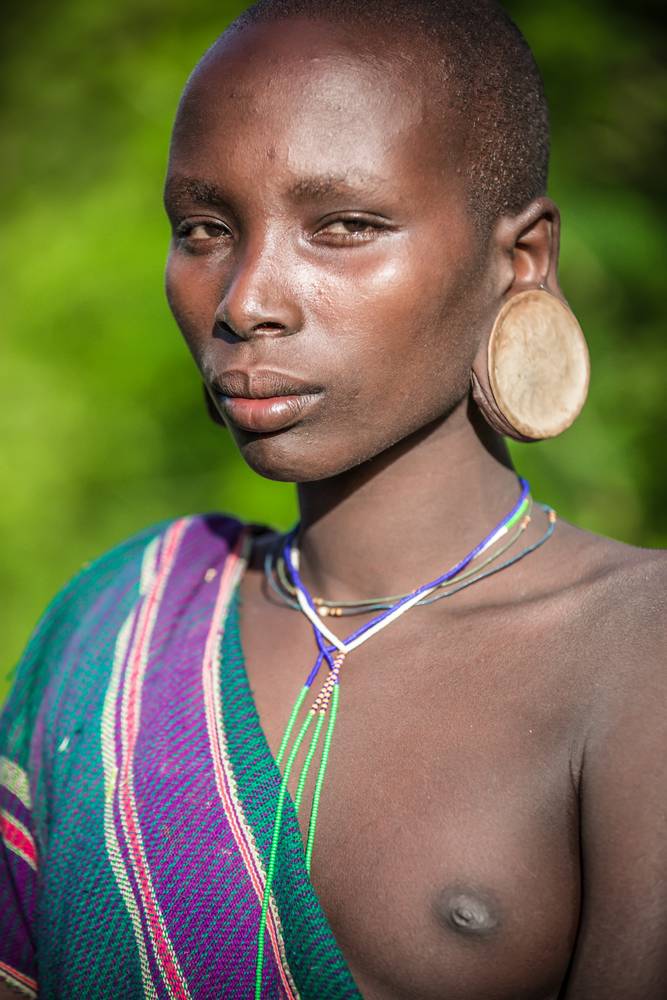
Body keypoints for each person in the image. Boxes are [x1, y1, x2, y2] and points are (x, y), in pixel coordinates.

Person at [1, 1, 665, 997]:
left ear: (518, 260)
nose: (245, 299)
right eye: (205, 229)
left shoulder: (636, 650)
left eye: (343, 227)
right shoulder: (118, 629)